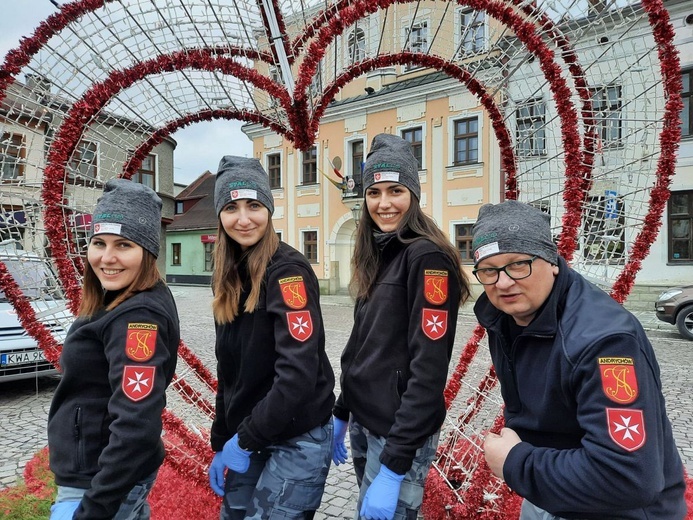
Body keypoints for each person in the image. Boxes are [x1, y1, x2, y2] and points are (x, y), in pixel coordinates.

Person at [473, 200, 687, 519]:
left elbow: (628, 477)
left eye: (518, 264)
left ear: (552, 261)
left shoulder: (607, 342)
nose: (503, 282)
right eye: (489, 270)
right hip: (554, 491)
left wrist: (516, 461)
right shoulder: (506, 315)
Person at [332, 133, 471, 520]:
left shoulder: (427, 259)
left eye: (396, 190)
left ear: (413, 193)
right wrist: (343, 409)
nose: (384, 203)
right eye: (374, 192)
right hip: (365, 418)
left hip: (399, 432)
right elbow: (364, 340)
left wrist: (395, 467)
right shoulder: (379, 251)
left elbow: (429, 369)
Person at [207, 156, 335, 519]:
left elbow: (298, 373)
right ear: (219, 214)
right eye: (231, 207)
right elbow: (229, 370)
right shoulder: (228, 274)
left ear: (269, 208)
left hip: (297, 436)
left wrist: (245, 440)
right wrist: (221, 441)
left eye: (254, 205)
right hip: (250, 432)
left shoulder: (288, 272)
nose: (243, 218)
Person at [47, 179, 181, 520]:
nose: (107, 258)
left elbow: (137, 425)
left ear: (147, 251)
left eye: (124, 245)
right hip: (100, 471)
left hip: (99, 480)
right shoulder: (114, 297)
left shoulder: (138, 316)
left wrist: (95, 507)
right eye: (99, 243)